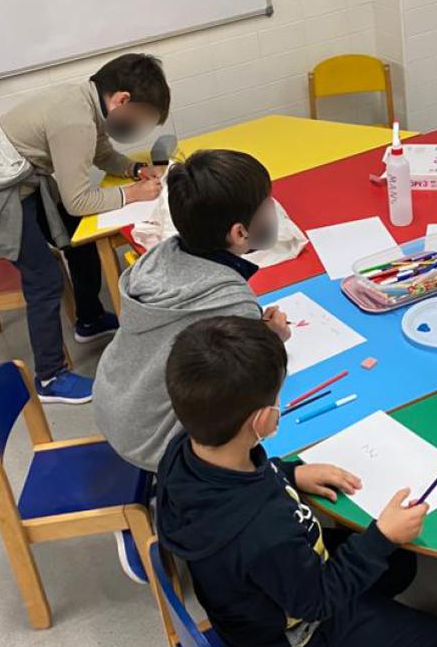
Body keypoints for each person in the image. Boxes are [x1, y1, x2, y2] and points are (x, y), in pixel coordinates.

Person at [156, 316, 437, 647]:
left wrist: (291, 473)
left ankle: (366, 613)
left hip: (252, 600)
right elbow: (316, 600)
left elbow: (253, 481)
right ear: (261, 420)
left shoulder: (183, 451)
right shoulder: (262, 531)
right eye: (277, 398)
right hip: (293, 641)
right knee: (432, 641)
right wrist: (381, 536)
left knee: (400, 563)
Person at [0, 53, 170, 403]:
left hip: (21, 181)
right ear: (122, 100)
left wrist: (134, 171)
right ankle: (50, 377)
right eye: (141, 118)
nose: (139, 126)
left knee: (79, 238)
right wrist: (132, 194)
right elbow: (78, 200)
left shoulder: (87, 100)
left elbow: (101, 154)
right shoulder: (75, 119)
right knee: (45, 279)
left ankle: (89, 319)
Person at [94, 150, 291, 472]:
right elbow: (244, 381)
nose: (273, 210)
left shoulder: (157, 256)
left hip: (115, 404)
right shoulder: (231, 302)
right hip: (156, 445)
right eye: (266, 204)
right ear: (240, 233)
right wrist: (273, 340)